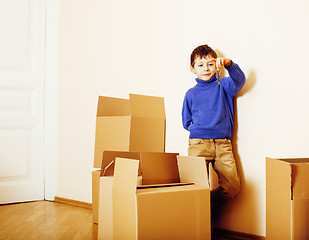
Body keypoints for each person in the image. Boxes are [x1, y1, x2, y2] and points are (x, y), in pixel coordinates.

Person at [182, 44, 246, 215]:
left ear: (216, 65)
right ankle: (195, 220)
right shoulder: (190, 94)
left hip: (223, 144)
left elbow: (240, 80)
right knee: (194, 184)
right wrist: (199, 130)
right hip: (198, 143)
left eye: (210, 64)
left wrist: (228, 63)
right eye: (200, 65)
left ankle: (206, 207)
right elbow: (186, 121)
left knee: (232, 186)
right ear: (192, 69)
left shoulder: (224, 86)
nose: (206, 69)